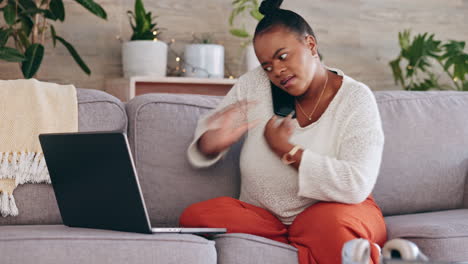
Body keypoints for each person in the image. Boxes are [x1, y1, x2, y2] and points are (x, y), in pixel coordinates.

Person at [179, 0, 387, 263]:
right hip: (264, 218)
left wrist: (288, 151)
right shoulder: (254, 84)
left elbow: (356, 185)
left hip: (333, 211)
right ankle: (305, 244)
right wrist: (211, 143)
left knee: (336, 229)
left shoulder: (356, 98)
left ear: (310, 45)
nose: (276, 71)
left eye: (283, 56)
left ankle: (309, 242)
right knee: (197, 217)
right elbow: (209, 135)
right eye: (267, 65)